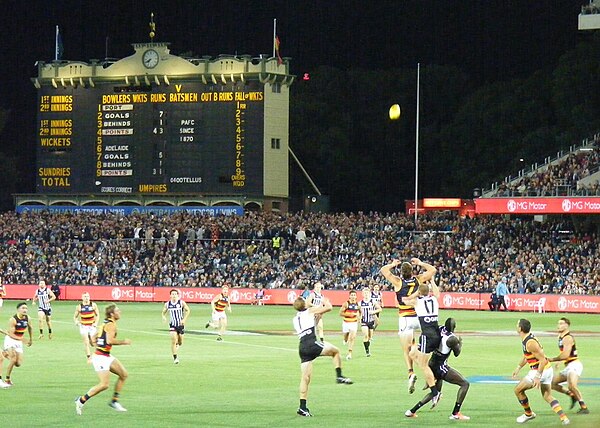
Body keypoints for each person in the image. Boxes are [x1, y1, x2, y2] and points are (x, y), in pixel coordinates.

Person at [380, 257, 436, 393]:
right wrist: (421, 263)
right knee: (415, 346)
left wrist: (392, 264)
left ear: (401, 272)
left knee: (406, 350)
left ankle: (411, 372)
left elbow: (383, 270)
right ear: (412, 271)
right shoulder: (418, 279)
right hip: (418, 316)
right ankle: (427, 369)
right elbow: (433, 270)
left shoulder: (398, 281)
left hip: (405, 318)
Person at [293, 296, 352, 417]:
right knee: (335, 351)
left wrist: (319, 313)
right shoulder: (309, 311)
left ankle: (302, 407)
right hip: (311, 343)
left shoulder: (295, 318)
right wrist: (325, 302)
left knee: (305, 378)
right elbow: (329, 308)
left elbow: (313, 321)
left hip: (302, 347)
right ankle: (339, 376)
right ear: (304, 304)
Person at [405, 317, 470, 420]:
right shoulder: (452, 339)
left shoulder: (439, 329)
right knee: (465, 384)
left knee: (435, 392)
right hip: (441, 367)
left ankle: (411, 411)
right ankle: (456, 413)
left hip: (431, 364)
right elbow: (457, 353)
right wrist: (460, 343)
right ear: (453, 327)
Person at [75, 304, 131, 415]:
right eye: (117, 310)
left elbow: (93, 337)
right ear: (112, 314)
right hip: (101, 357)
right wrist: (123, 342)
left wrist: (95, 343)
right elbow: (110, 341)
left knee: (123, 374)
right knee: (104, 384)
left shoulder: (104, 324)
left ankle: (114, 401)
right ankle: (81, 400)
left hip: (105, 355)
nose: (120, 312)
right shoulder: (111, 325)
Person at [512, 318, 569, 425]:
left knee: (518, 390)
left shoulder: (530, 343)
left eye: (517, 325)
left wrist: (538, 376)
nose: (516, 326)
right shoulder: (528, 339)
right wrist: (519, 367)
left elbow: (542, 360)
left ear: (520, 328)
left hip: (540, 371)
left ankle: (528, 414)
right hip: (547, 370)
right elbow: (527, 355)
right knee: (547, 396)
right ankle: (564, 417)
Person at [401, 276, 443, 408]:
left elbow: (404, 300)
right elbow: (437, 293)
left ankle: (435, 392)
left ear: (420, 292)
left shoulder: (417, 302)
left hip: (427, 335)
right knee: (413, 354)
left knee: (424, 365)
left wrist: (416, 293)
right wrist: (432, 282)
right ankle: (430, 378)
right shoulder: (434, 300)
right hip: (437, 333)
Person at [549, 318, 589, 414]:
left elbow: (566, 355)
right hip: (569, 365)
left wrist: (553, 359)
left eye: (561, 323)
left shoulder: (567, 338)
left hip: (574, 364)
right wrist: (560, 361)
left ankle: (584, 407)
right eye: (558, 323)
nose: (558, 325)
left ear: (567, 325)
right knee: (552, 383)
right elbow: (564, 352)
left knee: (572, 385)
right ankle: (571, 395)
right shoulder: (561, 337)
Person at [0, 302, 33, 388]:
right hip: (10, 340)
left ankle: (5, 353)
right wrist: (22, 339)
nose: (25, 310)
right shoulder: (13, 320)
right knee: (13, 359)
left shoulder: (28, 318)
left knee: (18, 363)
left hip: (18, 341)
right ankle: (7, 379)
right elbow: (11, 334)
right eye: (23, 308)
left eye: (26, 308)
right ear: (18, 309)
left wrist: (31, 339)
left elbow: (30, 327)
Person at [162, 289, 190, 364]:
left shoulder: (181, 303)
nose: (174, 295)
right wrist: (163, 317)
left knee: (180, 342)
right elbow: (163, 312)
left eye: (175, 294)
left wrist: (184, 319)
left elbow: (188, 310)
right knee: (173, 340)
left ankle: (178, 344)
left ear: (177, 295)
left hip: (180, 325)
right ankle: (175, 358)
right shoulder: (167, 304)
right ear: (170, 295)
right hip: (173, 325)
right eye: (172, 294)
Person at [73, 292, 99, 362]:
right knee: (86, 342)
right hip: (83, 326)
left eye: (87, 296)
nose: (86, 298)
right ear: (82, 298)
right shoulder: (79, 307)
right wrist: (76, 322)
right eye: (85, 296)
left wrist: (96, 323)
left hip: (92, 326)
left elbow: (97, 315)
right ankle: (89, 357)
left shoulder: (93, 305)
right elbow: (75, 317)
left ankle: (97, 354)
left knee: (93, 343)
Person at [359, 288, 382, 357]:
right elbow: (358, 311)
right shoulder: (360, 303)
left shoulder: (373, 302)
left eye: (367, 293)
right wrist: (359, 317)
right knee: (365, 335)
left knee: (369, 337)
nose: (366, 294)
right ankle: (367, 351)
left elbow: (380, 309)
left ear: (369, 294)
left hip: (371, 321)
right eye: (364, 293)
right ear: (362, 294)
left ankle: (367, 347)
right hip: (364, 321)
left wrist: (373, 312)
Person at [339, 290, 360, 360]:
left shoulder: (358, 304)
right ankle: (345, 340)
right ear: (349, 296)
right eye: (352, 295)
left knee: (352, 338)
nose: (353, 296)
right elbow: (340, 313)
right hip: (346, 323)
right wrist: (350, 314)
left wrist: (359, 318)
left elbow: (360, 312)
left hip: (354, 323)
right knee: (346, 337)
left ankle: (350, 353)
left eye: (354, 295)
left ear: (356, 296)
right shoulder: (346, 304)